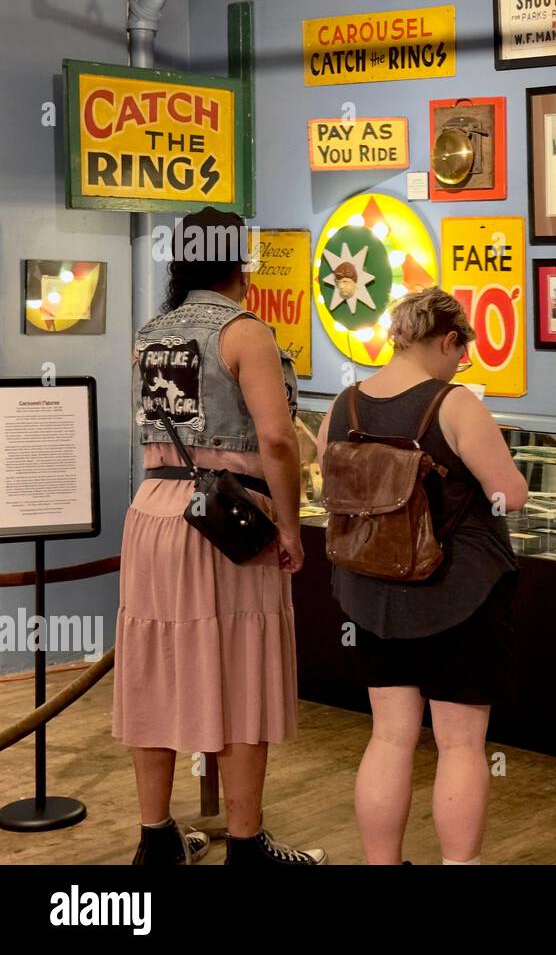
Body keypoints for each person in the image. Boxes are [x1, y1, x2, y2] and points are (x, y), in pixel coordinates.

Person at [113, 207, 325, 866]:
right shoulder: (245, 332)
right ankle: (247, 842)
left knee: (154, 670)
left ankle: (156, 837)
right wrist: (290, 525)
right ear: (241, 259)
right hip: (227, 519)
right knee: (240, 675)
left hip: (152, 511)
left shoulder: (149, 333)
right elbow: (277, 439)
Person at [316, 287, 528, 866]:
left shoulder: (343, 404)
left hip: (370, 593)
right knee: (460, 743)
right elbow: (509, 492)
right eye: (462, 351)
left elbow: (326, 486)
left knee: (389, 737)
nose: (461, 363)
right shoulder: (455, 404)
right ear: (448, 339)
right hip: (457, 593)